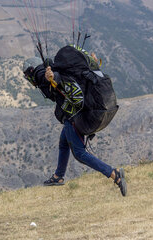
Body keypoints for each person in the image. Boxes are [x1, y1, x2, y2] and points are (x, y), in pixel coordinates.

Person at [22, 54, 127, 196]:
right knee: (64, 143)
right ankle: (58, 176)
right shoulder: (54, 68)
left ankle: (114, 174)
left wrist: (50, 78)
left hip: (73, 118)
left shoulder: (41, 75)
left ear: (30, 71)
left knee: (79, 153)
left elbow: (54, 79)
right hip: (77, 114)